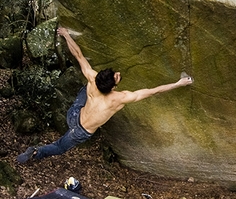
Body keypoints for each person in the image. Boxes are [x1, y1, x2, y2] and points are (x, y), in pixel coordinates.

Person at [17, 27, 193, 164]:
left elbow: (78, 55)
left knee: (86, 86)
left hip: (74, 114)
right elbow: (153, 91)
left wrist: (66, 35)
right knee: (59, 147)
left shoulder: (93, 79)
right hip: (81, 131)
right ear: (113, 87)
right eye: (116, 76)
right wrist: (178, 83)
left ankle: (36, 151)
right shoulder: (119, 99)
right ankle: (36, 152)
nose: (117, 73)